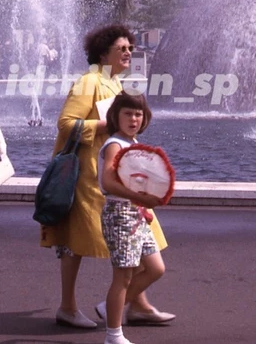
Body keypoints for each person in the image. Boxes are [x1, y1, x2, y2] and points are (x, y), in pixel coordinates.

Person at [40, 24, 172, 329]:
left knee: (137, 235)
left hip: (116, 174)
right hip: (88, 176)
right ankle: (68, 306)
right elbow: (66, 124)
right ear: (103, 53)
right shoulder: (89, 82)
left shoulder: (115, 83)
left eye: (130, 48)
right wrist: (108, 125)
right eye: (121, 49)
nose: (128, 53)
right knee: (74, 241)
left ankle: (138, 304)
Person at [98, 92, 170, 344]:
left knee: (156, 268)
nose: (133, 119)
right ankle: (113, 335)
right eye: (127, 113)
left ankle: (110, 308)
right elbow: (108, 182)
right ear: (115, 116)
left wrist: (145, 202)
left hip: (135, 213)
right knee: (123, 277)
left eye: (138, 114)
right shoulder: (115, 144)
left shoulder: (132, 143)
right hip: (120, 214)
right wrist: (138, 198)